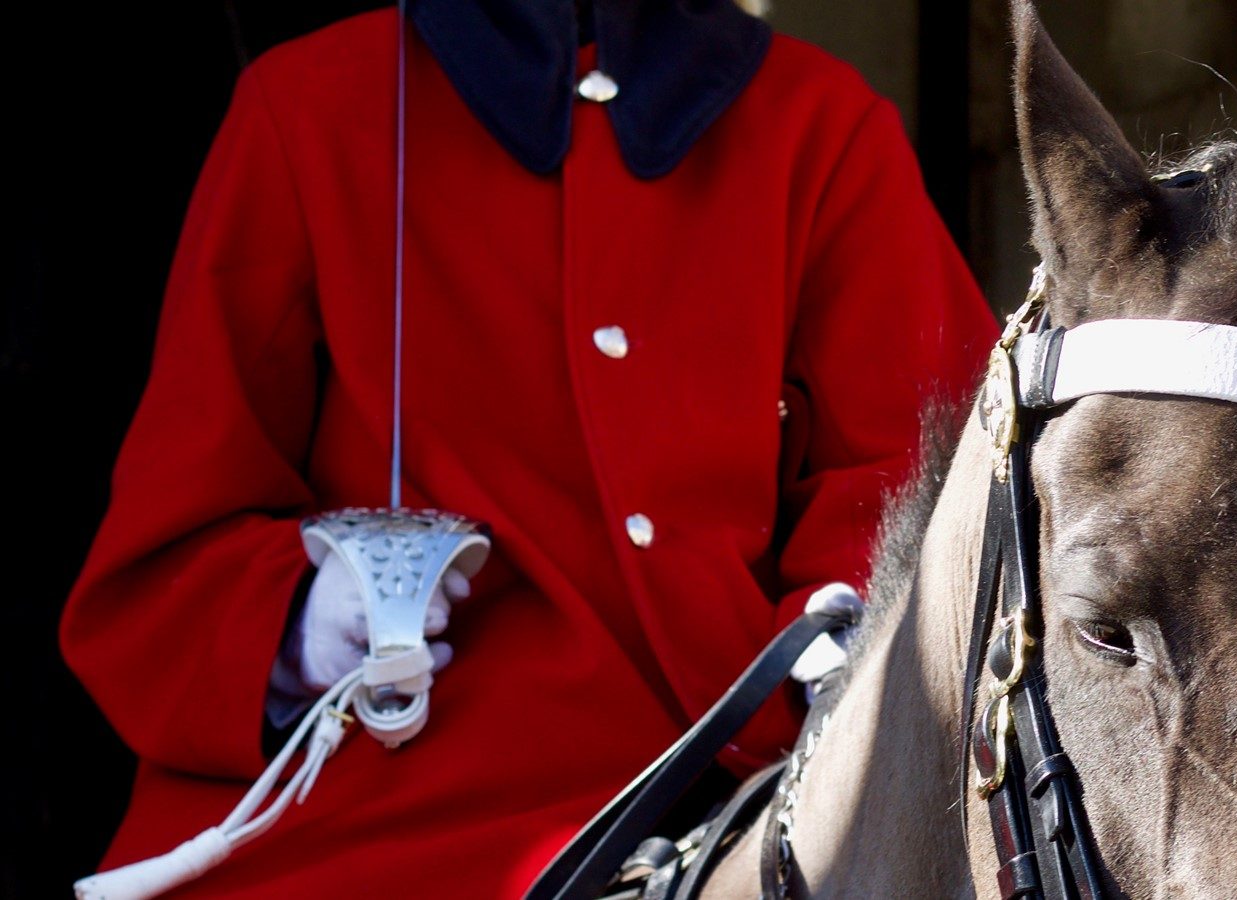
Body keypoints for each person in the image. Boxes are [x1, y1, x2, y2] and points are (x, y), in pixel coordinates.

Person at [59, 0, 996, 895]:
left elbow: (925, 484)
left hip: (726, 791)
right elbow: (162, 567)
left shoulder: (823, 125)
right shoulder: (305, 106)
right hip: (372, 813)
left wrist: (838, 674)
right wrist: (302, 614)